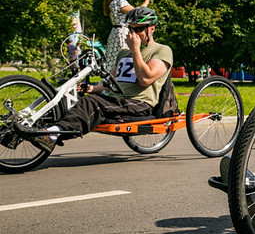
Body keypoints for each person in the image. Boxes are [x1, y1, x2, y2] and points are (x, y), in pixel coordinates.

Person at [15, 8, 172, 152]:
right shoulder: (123, 53)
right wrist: (91, 88)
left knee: (92, 103)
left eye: (138, 29)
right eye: (130, 29)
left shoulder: (162, 50)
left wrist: (135, 50)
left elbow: (145, 79)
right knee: (69, 99)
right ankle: (24, 131)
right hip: (117, 100)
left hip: (139, 103)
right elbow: (111, 82)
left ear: (152, 28)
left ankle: (51, 135)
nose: (133, 33)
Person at [103, 0, 150, 70]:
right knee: (124, 55)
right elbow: (138, 12)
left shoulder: (113, 2)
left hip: (115, 33)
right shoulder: (120, 2)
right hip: (122, 33)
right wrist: (146, 1)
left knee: (113, 58)